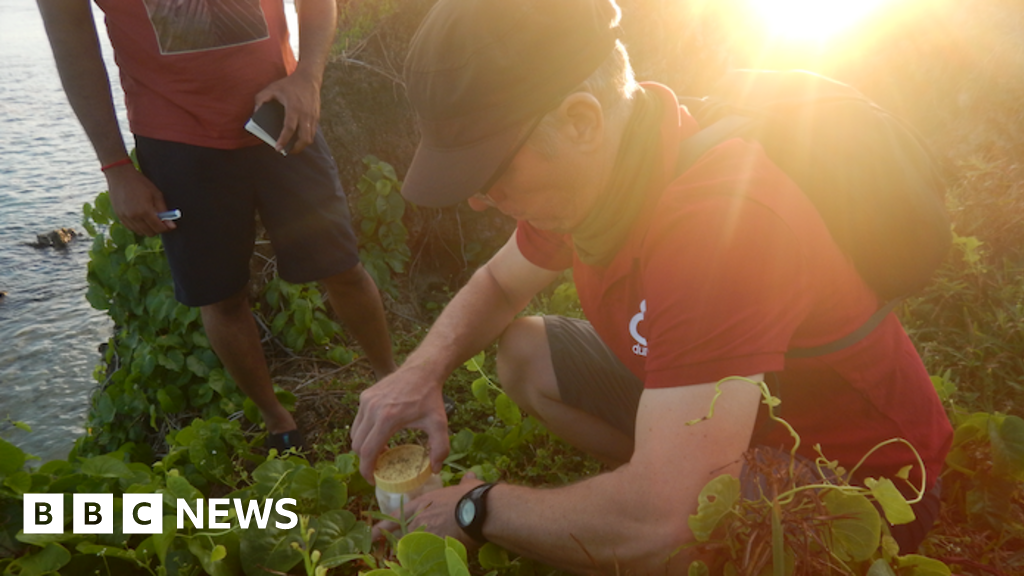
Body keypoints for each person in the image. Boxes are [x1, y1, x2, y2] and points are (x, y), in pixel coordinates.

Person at [351, 0, 954, 572]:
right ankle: (662, 474)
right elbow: (498, 283)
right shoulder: (603, 173)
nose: (482, 199)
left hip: (859, 480)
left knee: (673, 535)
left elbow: (669, 527)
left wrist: (474, 507)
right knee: (526, 353)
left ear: (583, 120)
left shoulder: (716, 228)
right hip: (727, 416)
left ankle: (654, 489)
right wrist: (418, 373)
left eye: (494, 172)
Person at [37, 0, 397, 450]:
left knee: (341, 264)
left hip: (280, 113)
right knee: (221, 295)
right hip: (176, 142)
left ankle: (395, 383)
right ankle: (277, 421)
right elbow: (72, 44)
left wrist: (308, 77)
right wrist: (115, 167)